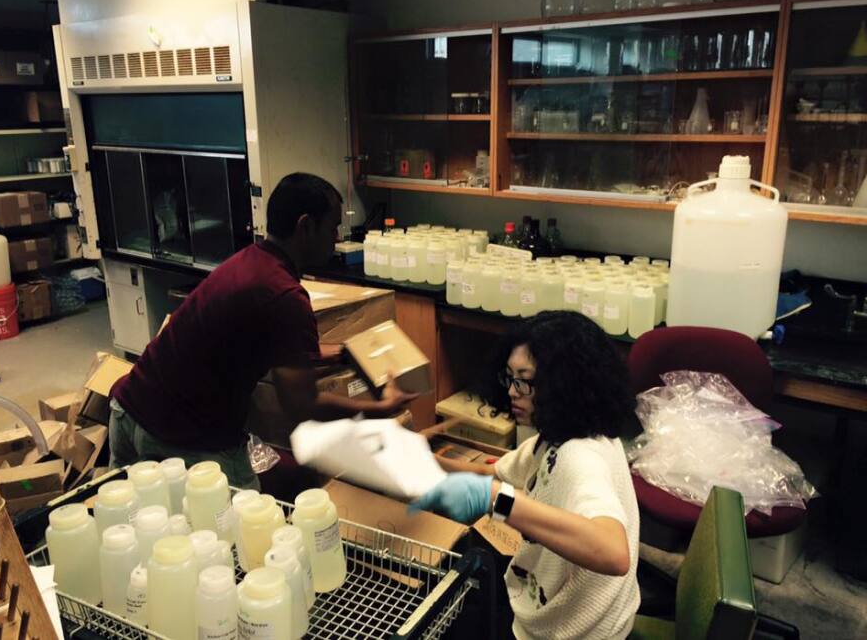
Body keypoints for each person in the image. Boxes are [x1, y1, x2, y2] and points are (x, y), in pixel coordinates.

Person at [109, 173, 418, 488]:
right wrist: (379, 410)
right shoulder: (284, 296)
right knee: (247, 529)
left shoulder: (252, 261)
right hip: (179, 438)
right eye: (332, 227)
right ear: (306, 226)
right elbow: (302, 407)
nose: (336, 237)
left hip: (130, 411)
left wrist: (343, 355)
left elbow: (283, 352)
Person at [412, 311, 640, 640]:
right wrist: (426, 460)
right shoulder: (558, 435)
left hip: (579, 631)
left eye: (524, 380)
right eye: (510, 378)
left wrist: (495, 499)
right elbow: (492, 470)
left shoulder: (581, 457)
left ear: (563, 383)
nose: (513, 392)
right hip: (572, 607)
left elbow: (614, 553)